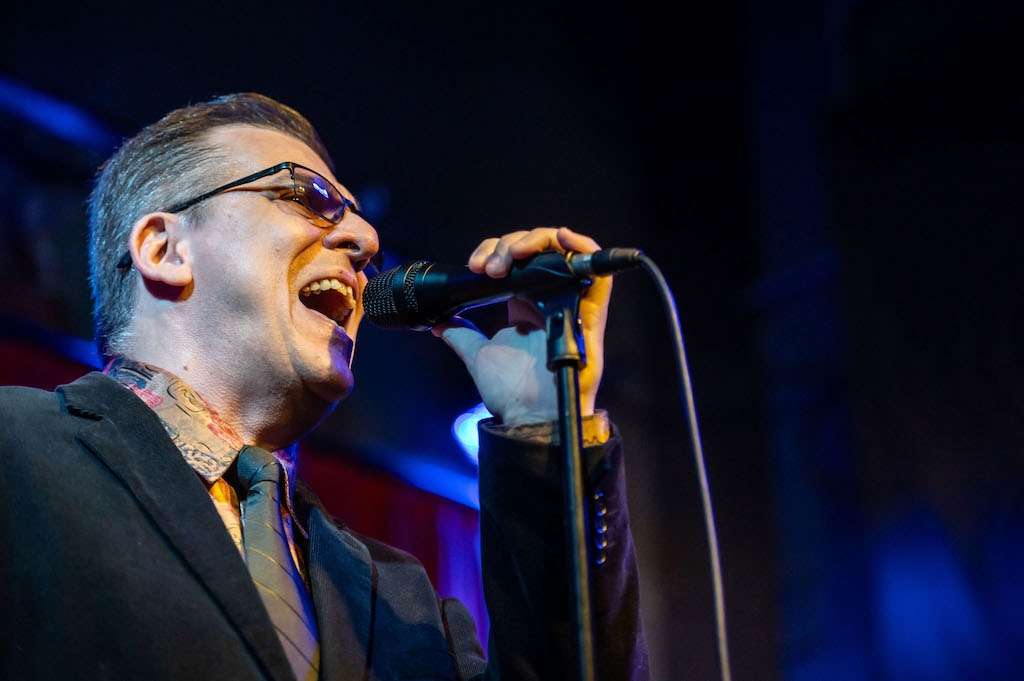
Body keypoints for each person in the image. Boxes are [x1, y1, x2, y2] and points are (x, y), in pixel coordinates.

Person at [0, 93, 647, 680]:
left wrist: (546, 431)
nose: (365, 240)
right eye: (307, 196)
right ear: (165, 249)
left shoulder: (402, 602)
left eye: (359, 220)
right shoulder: (18, 454)